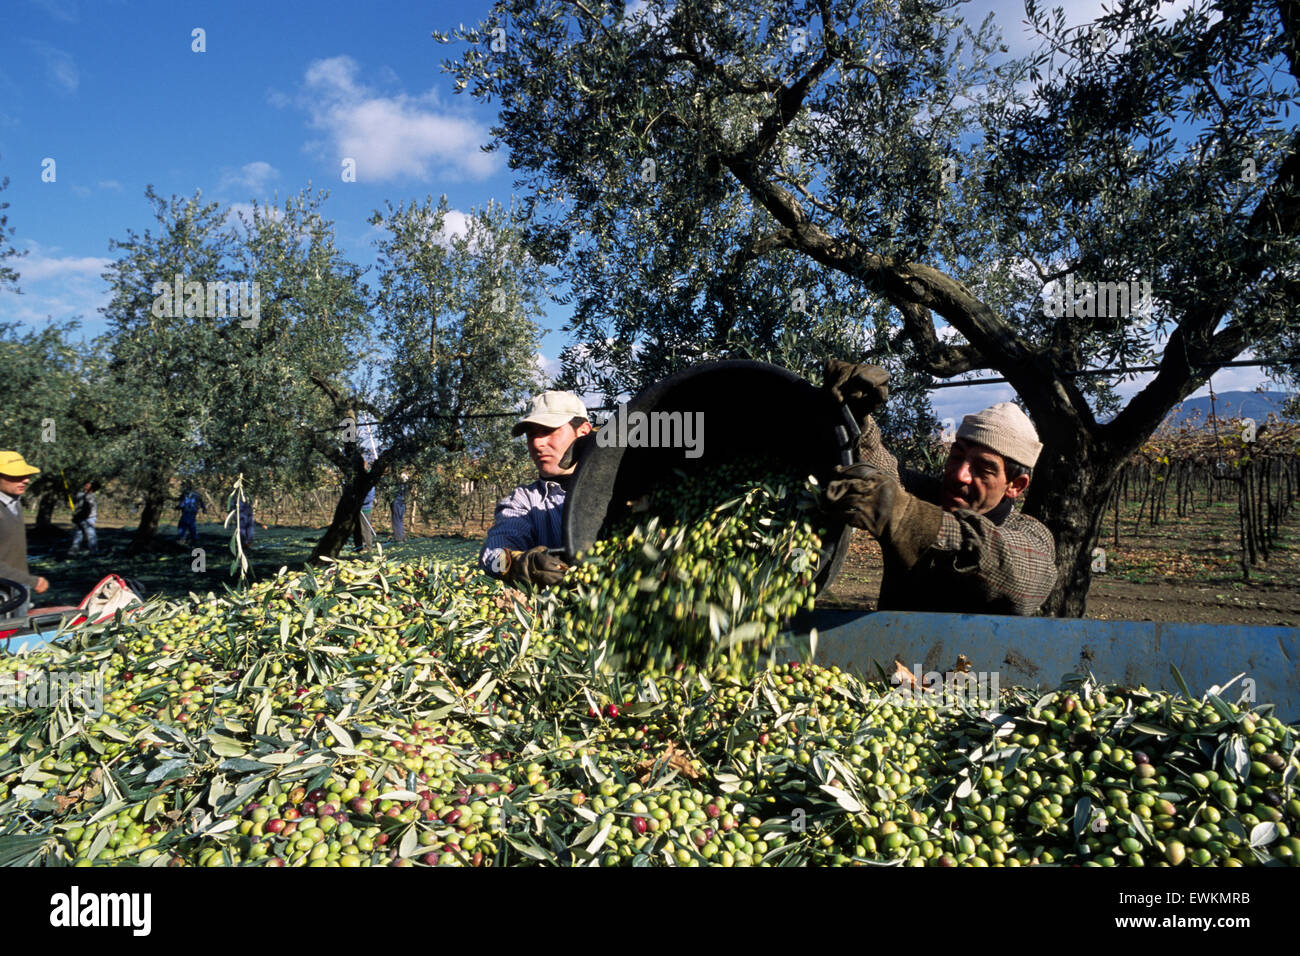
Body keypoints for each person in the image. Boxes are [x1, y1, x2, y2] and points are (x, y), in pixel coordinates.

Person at [823, 360, 1056, 616]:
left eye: (983, 468)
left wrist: (907, 517)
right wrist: (856, 417)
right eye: (957, 457)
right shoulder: (927, 495)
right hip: (892, 652)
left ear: (1015, 486)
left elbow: (1020, 575)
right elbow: (879, 465)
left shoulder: (1031, 535)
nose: (959, 475)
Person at [481, 391, 592, 586]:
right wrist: (518, 564)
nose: (537, 443)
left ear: (583, 432)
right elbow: (492, 557)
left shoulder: (619, 487)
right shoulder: (524, 500)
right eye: (531, 434)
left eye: (549, 430)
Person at [0, 451, 50, 619]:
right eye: (17, 475)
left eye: (26, 475)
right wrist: (32, 581)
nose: (26, 480)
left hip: (17, 588)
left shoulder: (14, 502)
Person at [67, 480, 99, 556]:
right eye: (86, 484)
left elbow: (89, 508)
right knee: (78, 535)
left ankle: (94, 552)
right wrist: (69, 496)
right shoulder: (80, 494)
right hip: (80, 517)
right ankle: (73, 552)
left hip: (88, 518)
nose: (86, 485)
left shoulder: (91, 496)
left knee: (90, 535)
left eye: (88, 485)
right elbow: (74, 500)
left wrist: (82, 515)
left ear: (91, 488)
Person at [390, 472, 409, 543]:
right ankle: (402, 537)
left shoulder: (397, 486)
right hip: (401, 504)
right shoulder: (404, 486)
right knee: (400, 520)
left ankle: (399, 538)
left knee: (397, 520)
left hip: (397, 503)